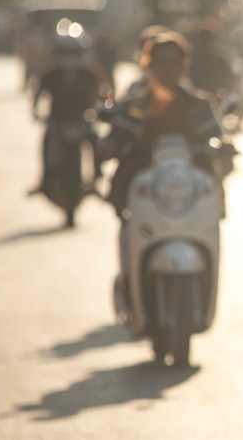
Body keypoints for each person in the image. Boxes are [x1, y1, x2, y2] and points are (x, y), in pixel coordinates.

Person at [97, 32, 231, 311]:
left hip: (188, 192)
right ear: (149, 65)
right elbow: (118, 134)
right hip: (147, 191)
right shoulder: (135, 105)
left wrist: (224, 146)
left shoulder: (199, 104)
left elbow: (215, 136)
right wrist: (109, 145)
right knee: (125, 217)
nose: (168, 69)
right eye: (162, 62)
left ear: (185, 65)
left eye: (175, 62)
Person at [29, 32, 112, 196]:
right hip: (57, 119)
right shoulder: (51, 73)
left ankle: (95, 178)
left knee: (96, 141)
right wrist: (35, 111)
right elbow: (38, 92)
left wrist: (103, 109)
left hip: (83, 118)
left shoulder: (90, 72)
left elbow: (103, 93)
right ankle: (44, 180)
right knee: (46, 143)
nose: (69, 58)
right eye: (64, 52)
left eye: (73, 53)